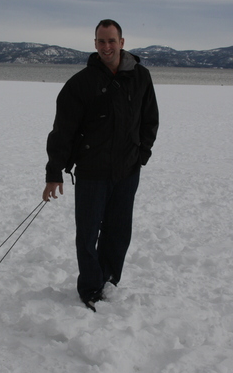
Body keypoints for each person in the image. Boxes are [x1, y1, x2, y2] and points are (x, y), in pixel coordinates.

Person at [42, 19, 159, 312]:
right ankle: (91, 287)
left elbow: (150, 119)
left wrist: (141, 154)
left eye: (111, 41)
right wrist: (54, 172)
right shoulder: (80, 83)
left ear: (122, 42)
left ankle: (109, 281)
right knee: (87, 234)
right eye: (101, 41)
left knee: (118, 232)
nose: (107, 47)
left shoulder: (141, 76)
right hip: (92, 173)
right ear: (95, 44)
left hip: (128, 170)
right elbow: (63, 131)